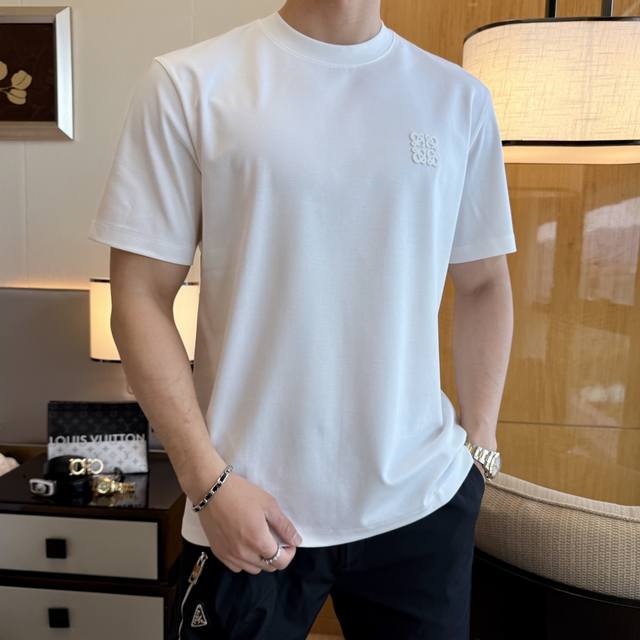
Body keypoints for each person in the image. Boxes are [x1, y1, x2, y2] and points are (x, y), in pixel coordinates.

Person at [88, 0, 516, 637]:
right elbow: (138, 296)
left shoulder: (458, 100)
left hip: (421, 505)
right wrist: (206, 482)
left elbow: (484, 283)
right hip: (243, 505)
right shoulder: (189, 83)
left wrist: (479, 450)